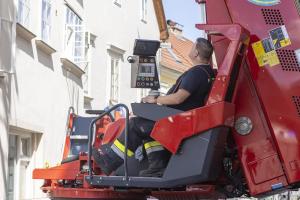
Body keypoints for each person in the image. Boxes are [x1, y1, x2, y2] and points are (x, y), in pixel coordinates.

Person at [92, 37, 215, 177]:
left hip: (177, 121)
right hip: (185, 120)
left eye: (192, 47)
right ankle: (157, 167)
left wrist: (155, 100)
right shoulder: (208, 73)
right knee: (147, 125)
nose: (190, 49)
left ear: (196, 53)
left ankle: (110, 160)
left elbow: (178, 98)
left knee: (136, 124)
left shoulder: (196, 73)